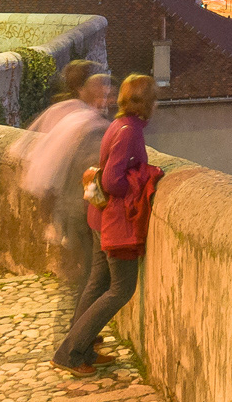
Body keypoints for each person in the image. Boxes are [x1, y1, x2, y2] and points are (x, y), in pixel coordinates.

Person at [52, 73, 161, 377]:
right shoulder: (130, 131)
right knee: (121, 289)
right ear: (147, 102)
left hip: (100, 218)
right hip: (115, 223)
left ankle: (81, 348)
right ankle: (70, 352)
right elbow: (113, 180)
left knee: (97, 284)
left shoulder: (119, 124)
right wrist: (142, 179)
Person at [12, 61, 112, 274]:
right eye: (99, 83)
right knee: (90, 271)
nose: (106, 89)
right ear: (82, 88)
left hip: (67, 208)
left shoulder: (63, 113)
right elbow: (90, 172)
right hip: (79, 209)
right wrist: (98, 207)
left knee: (82, 270)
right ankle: (83, 306)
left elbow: (39, 157)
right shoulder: (86, 122)